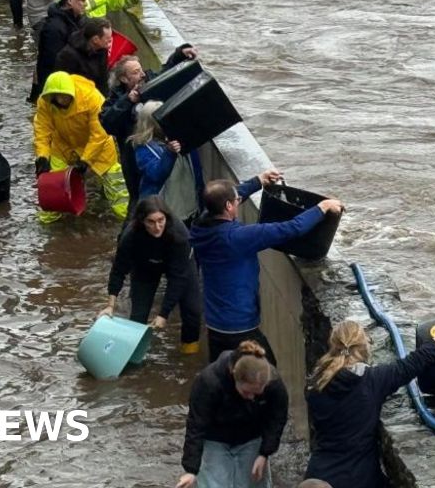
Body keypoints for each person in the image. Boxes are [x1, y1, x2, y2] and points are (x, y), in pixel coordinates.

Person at [304, 313, 435, 488]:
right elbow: (423, 356)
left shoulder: (316, 381)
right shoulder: (373, 381)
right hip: (356, 478)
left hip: (317, 476)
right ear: (364, 347)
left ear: (332, 346)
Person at [189, 172, 344, 365]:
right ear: (229, 206)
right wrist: (322, 207)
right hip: (240, 326)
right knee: (267, 373)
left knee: (223, 375)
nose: (239, 200)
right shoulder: (239, 238)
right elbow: (291, 228)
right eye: (236, 200)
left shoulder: (200, 226)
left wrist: (258, 182)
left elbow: (229, 196)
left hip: (215, 323)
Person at [177, 341, 288, 488]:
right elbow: (196, 426)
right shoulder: (209, 382)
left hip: (251, 436)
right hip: (215, 438)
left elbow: (277, 419)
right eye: (247, 392)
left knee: (251, 483)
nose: (252, 398)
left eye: (257, 394)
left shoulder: (273, 384)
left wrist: (264, 453)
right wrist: (191, 470)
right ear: (234, 376)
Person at [100, 196, 202, 354]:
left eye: (161, 220)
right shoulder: (130, 236)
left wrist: (163, 314)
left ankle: (189, 351)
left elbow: (178, 279)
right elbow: (119, 269)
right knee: (138, 315)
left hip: (177, 265)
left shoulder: (179, 235)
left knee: (192, 310)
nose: (157, 227)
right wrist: (110, 305)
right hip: (145, 265)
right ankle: (134, 355)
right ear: (142, 221)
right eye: (151, 222)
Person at [100, 46, 201, 201]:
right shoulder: (115, 100)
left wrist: (180, 54)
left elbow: (168, 73)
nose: (141, 75)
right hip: (134, 157)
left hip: (163, 148)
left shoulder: (150, 80)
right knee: (138, 197)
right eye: (135, 73)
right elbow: (108, 123)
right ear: (123, 79)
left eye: (140, 70)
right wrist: (128, 101)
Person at [33, 71, 129, 223]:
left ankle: (127, 219)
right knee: (51, 187)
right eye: (59, 96)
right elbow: (42, 130)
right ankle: (48, 224)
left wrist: (86, 161)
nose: (63, 100)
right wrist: (42, 156)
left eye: (66, 96)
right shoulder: (45, 102)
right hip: (63, 146)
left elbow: (100, 133)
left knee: (116, 184)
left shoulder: (92, 98)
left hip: (99, 147)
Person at [131, 100, 204, 226]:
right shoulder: (143, 148)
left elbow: (196, 171)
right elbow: (156, 175)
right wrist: (169, 153)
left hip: (191, 208)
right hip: (164, 215)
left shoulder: (180, 137)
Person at [33, 0, 87, 101]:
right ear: (70, 0)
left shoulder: (78, 21)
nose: (85, 3)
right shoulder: (54, 28)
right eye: (82, 0)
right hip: (57, 87)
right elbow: (54, 62)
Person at [56, 17, 112, 95]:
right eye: (107, 38)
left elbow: (103, 81)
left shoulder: (102, 51)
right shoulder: (68, 56)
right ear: (96, 39)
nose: (110, 41)